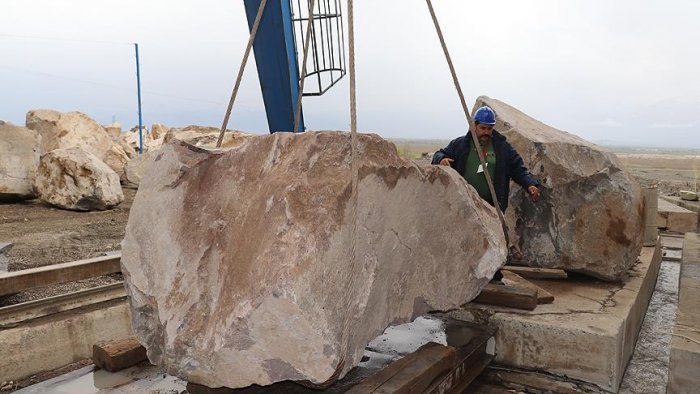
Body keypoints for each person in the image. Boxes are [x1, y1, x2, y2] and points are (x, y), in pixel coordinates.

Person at [431, 106, 541, 212]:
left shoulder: (502, 148)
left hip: (492, 207)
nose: (486, 132)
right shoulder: (460, 144)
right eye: (483, 128)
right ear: (474, 126)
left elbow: (518, 169)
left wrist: (530, 184)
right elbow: (438, 154)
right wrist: (441, 159)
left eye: (489, 128)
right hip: (463, 202)